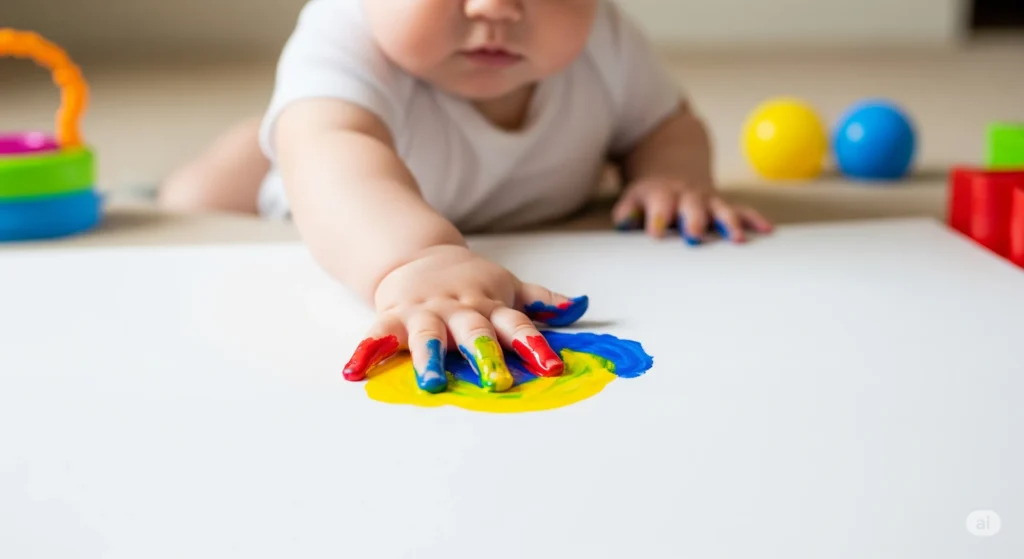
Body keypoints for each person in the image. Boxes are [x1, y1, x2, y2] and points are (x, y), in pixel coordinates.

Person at [159, 0, 773, 394]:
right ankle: (255, 143)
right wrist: (415, 261)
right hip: (328, 197)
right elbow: (332, 151)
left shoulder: (607, 40)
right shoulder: (345, 31)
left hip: (502, 200)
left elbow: (668, 125)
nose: (495, 7)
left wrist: (669, 173)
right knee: (209, 187)